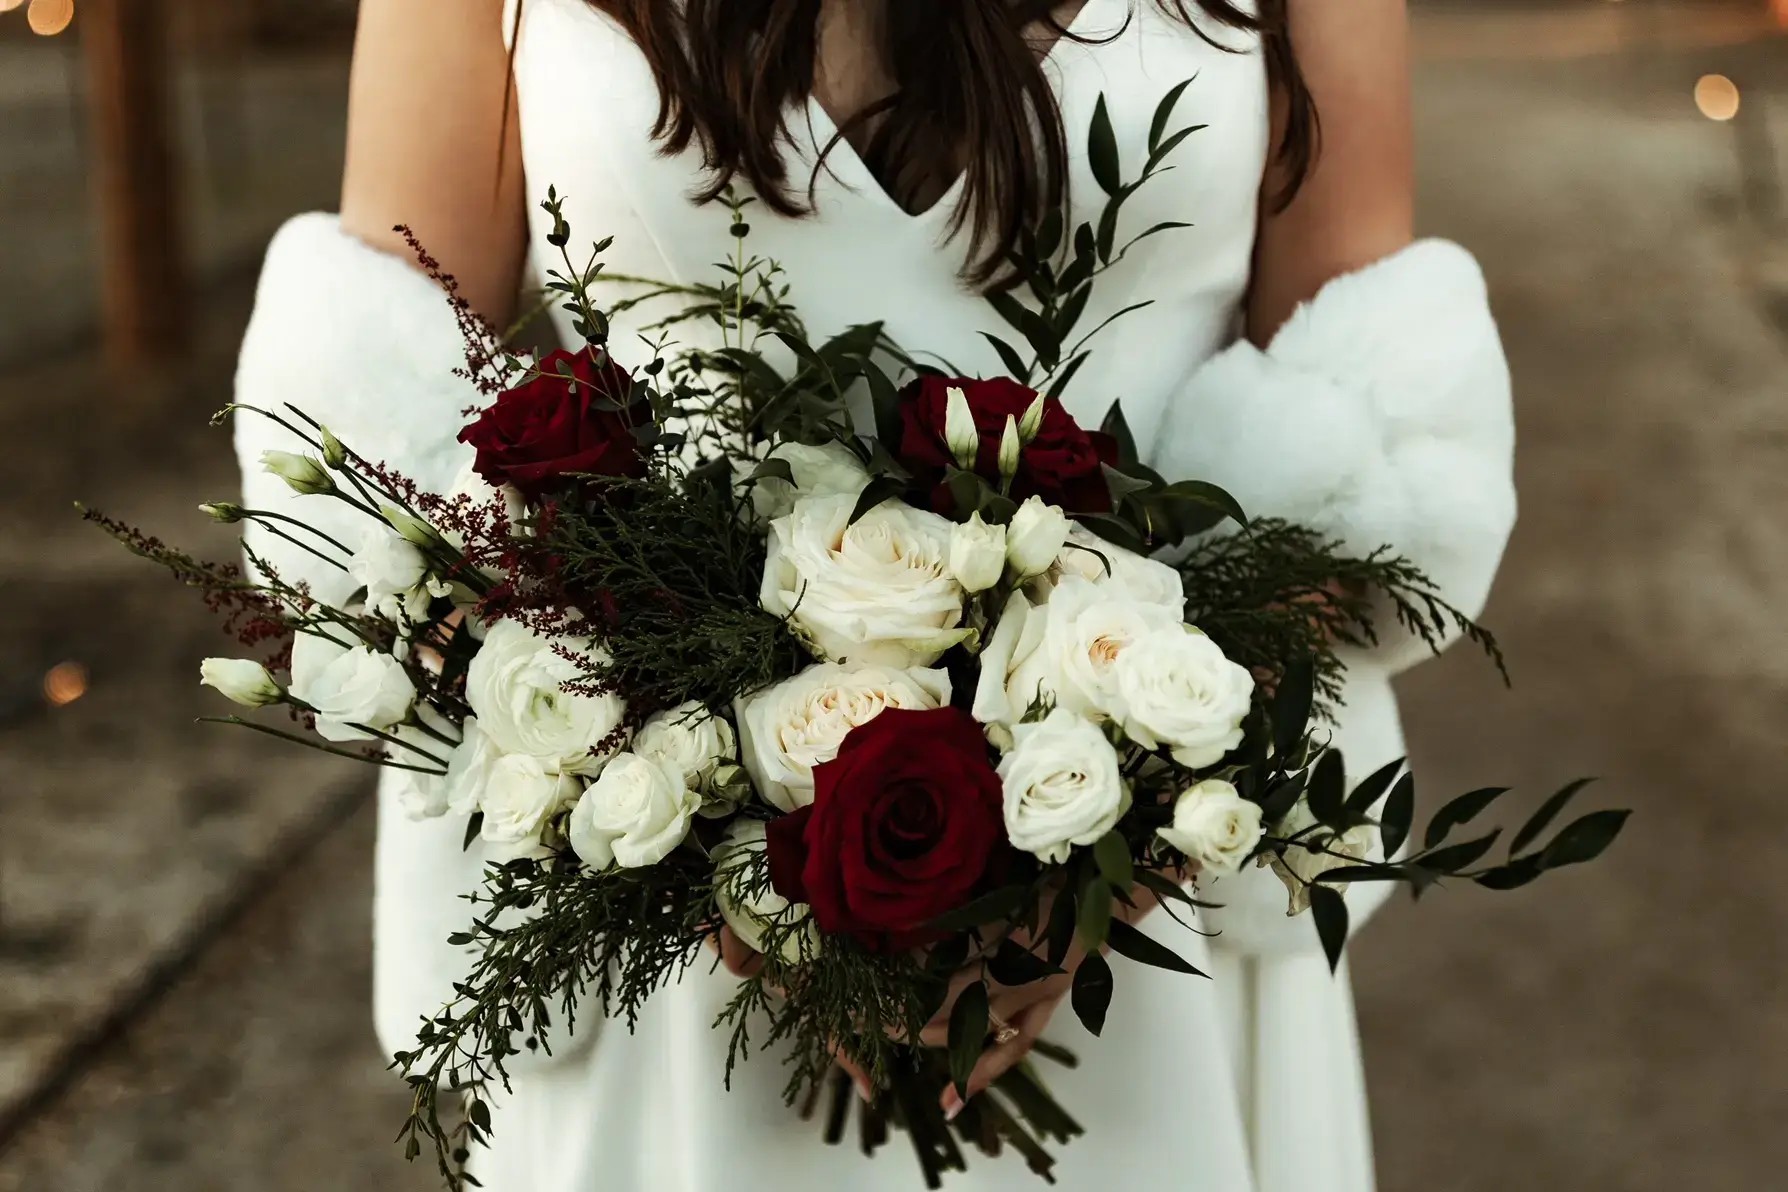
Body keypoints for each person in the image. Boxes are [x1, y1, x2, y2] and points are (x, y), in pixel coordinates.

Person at [232, 2, 1515, 1189]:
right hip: (667, 943)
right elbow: (386, 408)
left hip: (1138, 931)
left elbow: (1356, 423)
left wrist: (1098, 862)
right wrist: (717, 850)